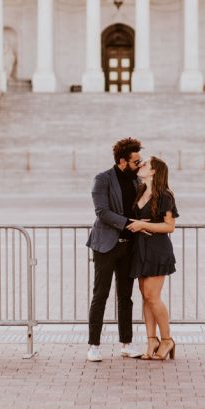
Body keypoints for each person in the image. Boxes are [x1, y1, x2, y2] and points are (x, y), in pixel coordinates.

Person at [84, 136, 148, 362]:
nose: (139, 165)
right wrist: (128, 224)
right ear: (122, 161)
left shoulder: (137, 182)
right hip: (106, 246)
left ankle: (126, 343)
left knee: (125, 296)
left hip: (129, 247)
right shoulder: (102, 179)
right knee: (100, 295)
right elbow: (101, 211)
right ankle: (93, 345)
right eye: (136, 161)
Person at [127, 156, 179, 360]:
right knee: (146, 297)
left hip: (158, 249)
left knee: (153, 297)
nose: (141, 166)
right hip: (140, 249)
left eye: (146, 164)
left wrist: (143, 225)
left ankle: (167, 340)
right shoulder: (140, 191)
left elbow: (170, 226)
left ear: (154, 171)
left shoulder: (165, 195)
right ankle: (151, 340)